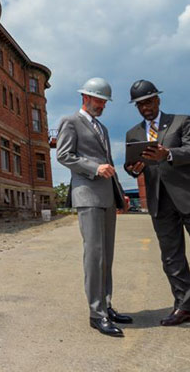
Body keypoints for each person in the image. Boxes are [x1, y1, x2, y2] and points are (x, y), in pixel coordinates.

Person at [124, 80, 190, 336]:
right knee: (171, 258)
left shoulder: (181, 122)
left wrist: (167, 154)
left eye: (148, 102)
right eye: (140, 105)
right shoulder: (133, 134)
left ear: (158, 100)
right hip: (161, 203)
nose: (145, 108)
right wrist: (133, 169)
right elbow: (131, 165)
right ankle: (184, 307)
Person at [56, 78, 131, 337]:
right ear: (85, 98)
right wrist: (94, 168)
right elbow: (64, 155)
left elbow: (108, 162)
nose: (103, 105)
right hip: (87, 195)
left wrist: (120, 193)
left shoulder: (103, 128)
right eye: (99, 100)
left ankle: (107, 306)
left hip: (107, 196)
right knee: (94, 255)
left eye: (105, 101)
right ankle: (96, 313)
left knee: (106, 256)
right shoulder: (70, 122)